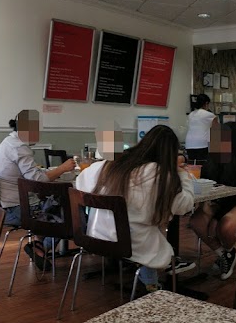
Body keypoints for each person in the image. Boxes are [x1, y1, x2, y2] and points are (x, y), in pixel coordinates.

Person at [75, 125, 194, 293]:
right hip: (130, 243)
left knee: (148, 230)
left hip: (95, 236)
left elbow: (79, 184)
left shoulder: (108, 165)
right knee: (153, 234)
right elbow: (185, 206)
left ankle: (148, 282)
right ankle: (152, 286)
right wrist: (182, 174)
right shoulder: (158, 174)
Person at [0, 109, 75, 269]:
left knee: (53, 204)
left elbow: (32, 174)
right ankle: (42, 248)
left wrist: (47, 172)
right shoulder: (19, 147)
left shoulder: (9, 142)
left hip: (1, 206)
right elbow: (38, 181)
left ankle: (38, 243)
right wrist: (63, 168)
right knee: (66, 210)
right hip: (15, 211)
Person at [189, 122, 236, 280]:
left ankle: (227, 253)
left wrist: (215, 217)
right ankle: (226, 254)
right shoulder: (214, 159)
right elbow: (209, 181)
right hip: (222, 197)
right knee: (197, 221)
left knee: (225, 225)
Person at [184, 94, 216, 162]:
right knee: (203, 164)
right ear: (206, 103)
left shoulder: (191, 114)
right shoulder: (210, 115)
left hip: (189, 144)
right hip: (202, 144)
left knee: (192, 164)